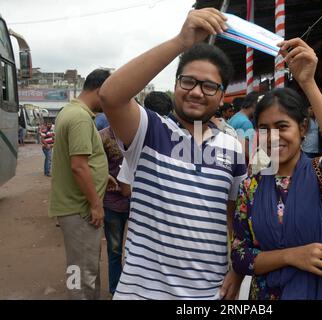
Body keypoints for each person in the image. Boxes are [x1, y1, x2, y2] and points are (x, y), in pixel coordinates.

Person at [99, 8, 247, 300]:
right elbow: (110, 95)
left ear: (221, 95)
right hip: (139, 293)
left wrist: (237, 270)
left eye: (209, 86)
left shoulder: (233, 148)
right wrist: (181, 41)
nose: (196, 92)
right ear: (176, 84)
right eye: (188, 81)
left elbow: (236, 220)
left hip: (208, 294)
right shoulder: (148, 130)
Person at [231, 37, 322, 300]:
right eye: (264, 129)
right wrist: (292, 256)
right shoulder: (250, 187)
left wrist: (308, 83)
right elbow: (241, 257)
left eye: (282, 126)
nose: (272, 137)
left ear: (302, 128)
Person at [48, 69, 111, 299]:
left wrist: (104, 176)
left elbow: (78, 161)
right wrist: (96, 204)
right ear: (101, 90)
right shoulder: (80, 118)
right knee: (80, 271)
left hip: (76, 208)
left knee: (84, 267)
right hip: (80, 210)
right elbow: (79, 166)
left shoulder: (71, 112)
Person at [99, 126, 131, 295]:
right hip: (112, 202)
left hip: (136, 202)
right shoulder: (102, 137)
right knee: (115, 249)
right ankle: (115, 290)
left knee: (136, 249)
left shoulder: (137, 133)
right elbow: (93, 166)